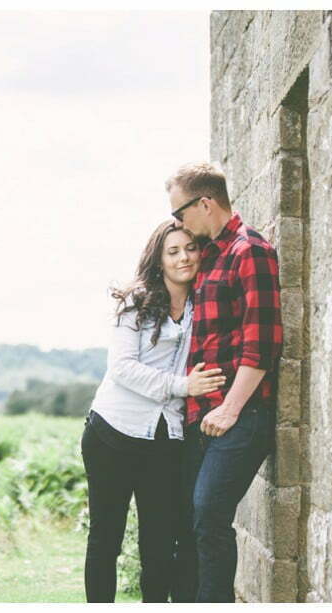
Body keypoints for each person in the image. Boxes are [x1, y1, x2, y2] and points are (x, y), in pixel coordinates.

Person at [80, 220, 227, 603]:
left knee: (160, 544)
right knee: (106, 538)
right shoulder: (137, 303)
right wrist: (183, 386)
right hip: (112, 432)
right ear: (159, 260)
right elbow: (122, 368)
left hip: (165, 438)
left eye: (190, 249)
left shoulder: (203, 304)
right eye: (173, 251)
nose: (184, 258)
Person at [165, 162, 283, 603]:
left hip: (240, 414)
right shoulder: (210, 254)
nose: (178, 222)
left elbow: (263, 340)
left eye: (179, 212)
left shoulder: (249, 250)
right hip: (202, 415)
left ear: (205, 203)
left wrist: (230, 408)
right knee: (192, 521)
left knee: (210, 515)